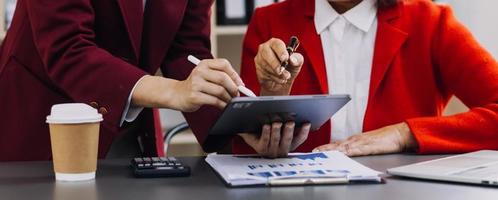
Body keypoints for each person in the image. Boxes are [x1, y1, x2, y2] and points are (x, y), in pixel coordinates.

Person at [236, 0, 498, 157]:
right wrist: (270, 99)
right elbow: (242, 146)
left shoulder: (431, 22)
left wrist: (403, 134)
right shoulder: (269, 22)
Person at [0, 0, 249, 161]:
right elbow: (68, 48)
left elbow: (186, 49)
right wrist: (174, 91)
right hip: (44, 121)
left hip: (128, 126)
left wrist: (238, 131)